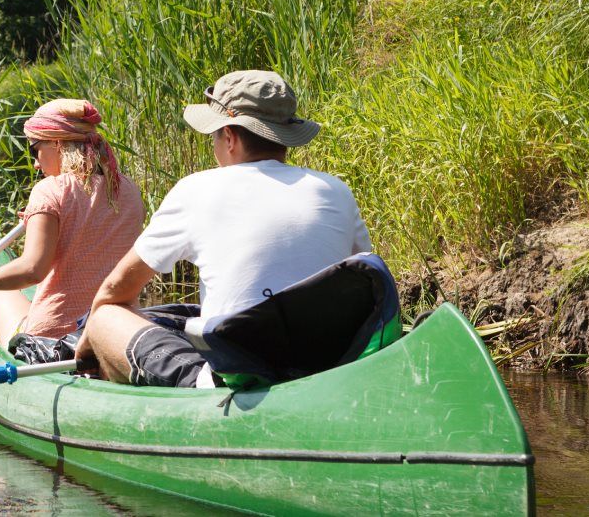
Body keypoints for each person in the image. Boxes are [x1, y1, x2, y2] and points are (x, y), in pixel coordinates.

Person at [74, 70, 372, 387]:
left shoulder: (196, 190)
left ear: (229, 136)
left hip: (239, 376)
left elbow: (116, 290)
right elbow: (364, 273)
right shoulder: (335, 190)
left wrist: (89, 343)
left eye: (214, 136)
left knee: (105, 315)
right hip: (326, 365)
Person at [0, 99, 144, 346]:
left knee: (0, 297)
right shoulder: (129, 190)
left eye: (35, 149)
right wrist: (42, 219)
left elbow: (32, 270)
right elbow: (91, 231)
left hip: (56, 336)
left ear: (57, 143)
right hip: (117, 332)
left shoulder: (49, 190)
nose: (35, 163)